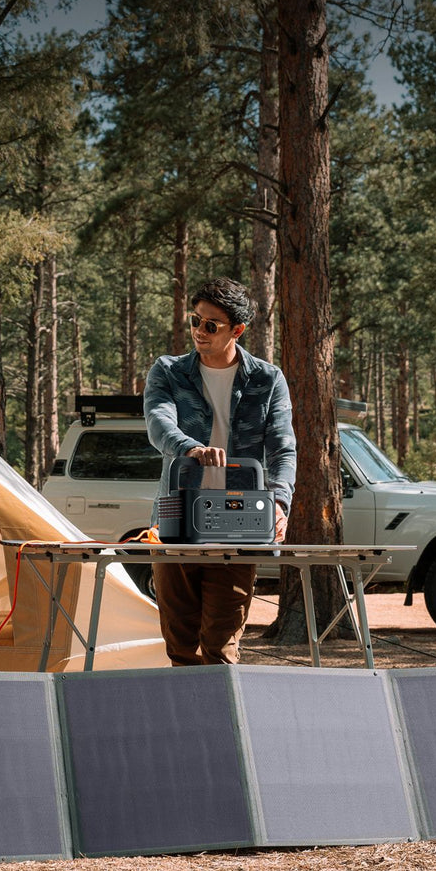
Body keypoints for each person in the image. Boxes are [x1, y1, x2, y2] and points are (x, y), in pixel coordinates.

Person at [143, 277, 296, 666]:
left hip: (239, 525)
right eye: (195, 320)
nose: (199, 331)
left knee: (221, 647)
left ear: (237, 330)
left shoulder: (267, 379)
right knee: (180, 646)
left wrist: (279, 503)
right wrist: (190, 448)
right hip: (176, 521)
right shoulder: (169, 371)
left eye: (211, 325)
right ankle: (186, 708)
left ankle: (221, 707)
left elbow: (282, 449)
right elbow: (159, 423)